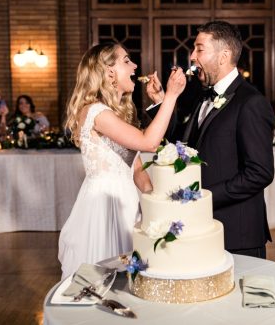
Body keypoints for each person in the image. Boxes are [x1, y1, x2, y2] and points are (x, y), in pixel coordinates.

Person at [58, 42, 186, 279]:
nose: (135, 66)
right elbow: (149, 143)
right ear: (109, 71)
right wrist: (171, 96)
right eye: (126, 61)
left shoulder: (117, 114)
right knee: (100, 279)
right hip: (104, 207)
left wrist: (157, 205)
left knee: (128, 278)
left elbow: (137, 169)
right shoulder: (95, 112)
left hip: (126, 203)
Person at [148, 21, 274, 259]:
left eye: (199, 49)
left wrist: (202, 196)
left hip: (238, 235)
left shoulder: (251, 102)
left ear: (223, 56)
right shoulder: (201, 95)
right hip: (205, 227)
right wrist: (161, 101)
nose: (193, 56)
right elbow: (180, 144)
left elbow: (260, 173)